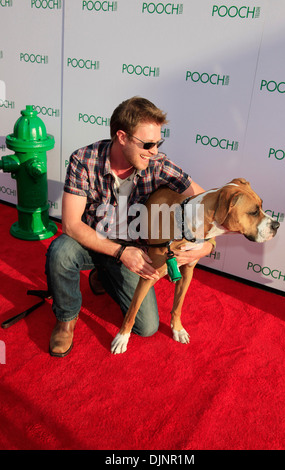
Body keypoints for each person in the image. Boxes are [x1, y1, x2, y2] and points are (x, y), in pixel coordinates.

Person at [46, 96, 214, 357]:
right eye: (147, 144)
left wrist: (207, 245)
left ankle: (103, 276)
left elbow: (206, 204)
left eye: (158, 143)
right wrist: (120, 253)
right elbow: (70, 223)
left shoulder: (160, 165)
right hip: (91, 242)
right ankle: (66, 318)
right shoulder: (83, 160)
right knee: (60, 251)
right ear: (122, 137)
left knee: (146, 327)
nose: (154, 150)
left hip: (134, 252)